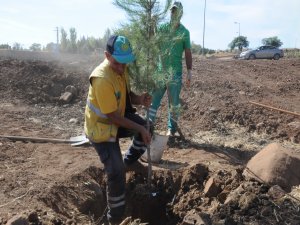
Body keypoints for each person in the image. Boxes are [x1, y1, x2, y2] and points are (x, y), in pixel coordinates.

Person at [84, 35, 152, 224]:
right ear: (107, 56)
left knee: (148, 127)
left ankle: (128, 161)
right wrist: (139, 127)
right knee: (115, 171)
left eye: (124, 64)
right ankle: (114, 219)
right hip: (101, 129)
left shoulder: (121, 67)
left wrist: (139, 99)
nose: (122, 69)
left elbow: (126, 95)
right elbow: (113, 116)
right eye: (117, 64)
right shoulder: (101, 78)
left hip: (116, 119)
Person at [148, 1, 193, 136]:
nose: (174, 13)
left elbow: (188, 53)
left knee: (174, 103)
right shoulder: (162, 29)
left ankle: (171, 130)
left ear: (181, 13)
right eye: (172, 11)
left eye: (177, 11)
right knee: (153, 100)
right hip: (161, 72)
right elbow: (152, 42)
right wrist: (152, 25)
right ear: (170, 12)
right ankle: (148, 126)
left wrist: (189, 71)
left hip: (176, 73)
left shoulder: (184, 32)